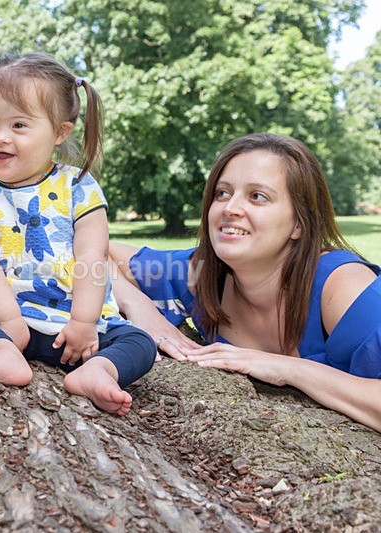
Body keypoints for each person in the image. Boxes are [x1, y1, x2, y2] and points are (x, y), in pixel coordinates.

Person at [109, 133, 381, 431]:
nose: (230, 208)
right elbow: (88, 254)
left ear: (299, 224)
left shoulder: (343, 286)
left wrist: (289, 369)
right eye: (222, 193)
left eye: (257, 196)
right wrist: (137, 305)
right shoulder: (203, 274)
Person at [0, 53, 155, 415]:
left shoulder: (79, 186)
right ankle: (2, 355)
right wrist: (9, 323)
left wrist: (84, 323)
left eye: (19, 125)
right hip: (6, 321)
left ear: (59, 132)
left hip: (75, 333)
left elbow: (92, 257)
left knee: (139, 342)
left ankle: (98, 371)